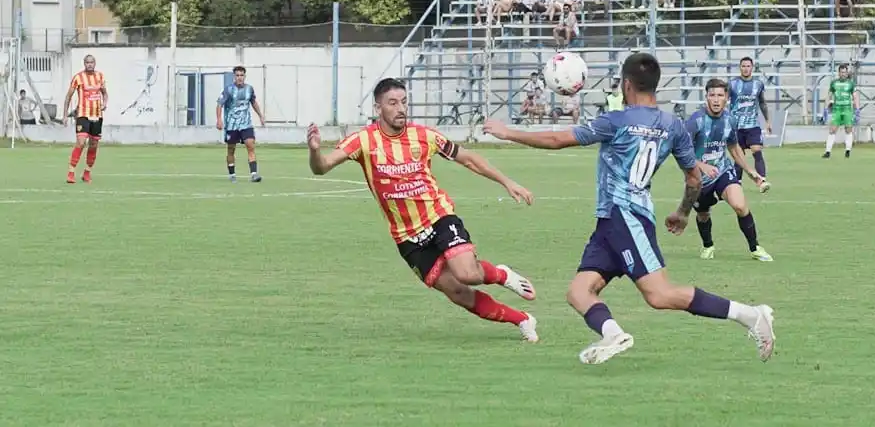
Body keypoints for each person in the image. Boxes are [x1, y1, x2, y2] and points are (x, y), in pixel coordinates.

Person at [482, 53, 775, 365]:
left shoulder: (616, 121)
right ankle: (612, 334)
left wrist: (508, 132)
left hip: (627, 215)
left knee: (659, 295)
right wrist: (683, 212)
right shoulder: (672, 125)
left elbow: (557, 139)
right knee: (579, 293)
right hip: (610, 220)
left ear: (626, 85)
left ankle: (750, 315)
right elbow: (693, 177)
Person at [306, 78, 540, 343]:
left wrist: (507, 182)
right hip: (407, 236)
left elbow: (469, 159)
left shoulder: (425, 136)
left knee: (467, 274)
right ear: (377, 108)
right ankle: (522, 319)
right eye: (392, 103)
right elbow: (322, 167)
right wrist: (315, 151)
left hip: (438, 217)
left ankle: (501, 274)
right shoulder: (363, 141)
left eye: (404, 102)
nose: (401, 108)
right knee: (458, 292)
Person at [688, 79, 773, 262]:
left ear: (727, 97)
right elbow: (682, 152)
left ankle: (755, 247)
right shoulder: (696, 121)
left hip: (723, 172)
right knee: (703, 214)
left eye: (720, 95)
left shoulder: (729, 119)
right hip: (699, 179)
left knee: (740, 206)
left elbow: (734, 149)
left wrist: (750, 171)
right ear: (707, 97)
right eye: (712, 95)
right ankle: (708, 246)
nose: (716, 99)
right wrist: (702, 166)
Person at [727, 57, 772, 193]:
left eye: (748, 66)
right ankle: (737, 183)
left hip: (752, 125)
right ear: (740, 68)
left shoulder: (758, 84)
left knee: (757, 151)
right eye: (743, 66)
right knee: (739, 156)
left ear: (752, 68)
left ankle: (762, 180)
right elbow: (724, 100)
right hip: (736, 126)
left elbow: (762, 103)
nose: (746, 68)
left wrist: (768, 121)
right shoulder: (732, 84)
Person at [216, 66, 266, 182]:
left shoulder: (249, 89)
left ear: (245, 76)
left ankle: (254, 174)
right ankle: (232, 175)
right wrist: (219, 119)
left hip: (246, 124)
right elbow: (219, 104)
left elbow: (253, 102)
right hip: (231, 125)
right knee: (231, 149)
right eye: (237, 75)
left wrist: (260, 116)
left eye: (241, 75)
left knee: (250, 145)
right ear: (234, 77)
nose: (239, 77)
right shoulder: (228, 90)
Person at [63, 54, 108, 184]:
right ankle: (71, 172)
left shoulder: (100, 76)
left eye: (92, 62)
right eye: (87, 62)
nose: (89, 64)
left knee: (93, 145)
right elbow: (68, 97)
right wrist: (65, 115)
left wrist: (105, 103)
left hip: (97, 115)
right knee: (81, 142)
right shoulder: (78, 77)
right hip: (83, 115)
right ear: (84, 64)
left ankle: (87, 173)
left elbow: (105, 93)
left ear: (95, 63)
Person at [822, 63, 860, 159]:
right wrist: (825, 109)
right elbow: (829, 95)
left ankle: (848, 150)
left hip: (847, 109)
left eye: (845, 72)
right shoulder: (834, 83)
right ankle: (828, 151)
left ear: (847, 73)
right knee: (832, 130)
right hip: (837, 109)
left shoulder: (851, 84)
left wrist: (857, 109)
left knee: (848, 129)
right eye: (842, 72)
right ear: (839, 73)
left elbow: (855, 97)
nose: (843, 74)